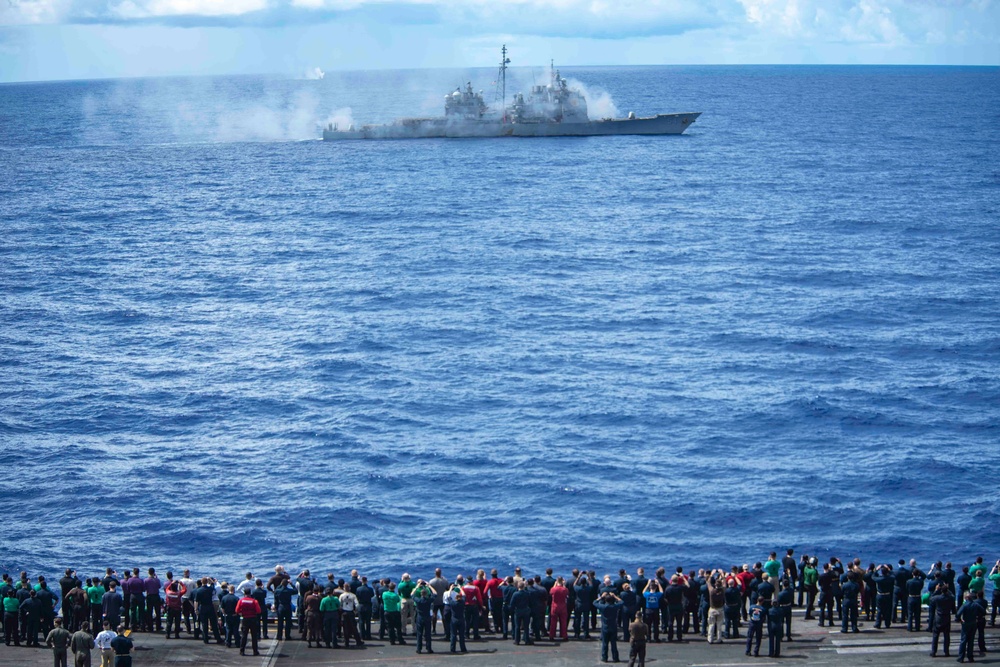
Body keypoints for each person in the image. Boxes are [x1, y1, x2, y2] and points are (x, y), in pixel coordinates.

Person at [594, 590, 623, 663]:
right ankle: (615, 658)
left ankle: (604, 657)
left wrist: (601, 597)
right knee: (614, 644)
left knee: (605, 644)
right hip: (613, 627)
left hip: (605, 627)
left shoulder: (603, 607)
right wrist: (615, 596)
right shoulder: (615, 607)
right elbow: (622, 602)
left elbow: (594, 602)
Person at [956, 592, 984, 663]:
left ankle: (961, 657)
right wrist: (978, 616)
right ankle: (970, 657)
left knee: (963, 641)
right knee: (971, 641)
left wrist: (960, 620)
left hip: (966, 624)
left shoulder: (965, 605)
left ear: (966, 598)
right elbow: (983, 611)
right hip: (973, 623)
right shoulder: (976, 604)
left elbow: (958, 614)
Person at [930, 583, 955, 657]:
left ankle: (934, 652)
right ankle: (946, 651)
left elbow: (931, 599)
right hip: (946, 618)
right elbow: (953, 596)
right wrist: (948, 589)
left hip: (938, 618)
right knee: (946, 636)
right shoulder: (950, 598)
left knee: (935, 636)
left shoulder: (937, 598)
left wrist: (936, 590)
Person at [235, 586, 262, 656]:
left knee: (244, 635)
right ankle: (255, 651)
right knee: (254, 636)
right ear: (250, 593)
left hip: (245, 619)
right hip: (253, 619)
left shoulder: (241, 601)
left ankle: (242, 651)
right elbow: (259, 611)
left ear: (244, 593)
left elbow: (237, 610)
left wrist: (242, 612)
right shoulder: (254, 601)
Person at [193, 579, 222, 644]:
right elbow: (213, 586)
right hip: (210, 606)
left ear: (201, 582)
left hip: (203, 607)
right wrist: (211, 580)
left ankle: (205, 639)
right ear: (206, 582)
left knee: (204, 624)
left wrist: (196, 609)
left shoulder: (199, 590)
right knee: (214, 623)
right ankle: (218, 638)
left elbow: (196, 601)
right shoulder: (210, 589)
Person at [339, 583, 362, 648]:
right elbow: (357, 604)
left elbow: (339, 604)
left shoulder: (341, 596)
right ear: (350, 588)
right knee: (354, 628)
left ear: (344, 588)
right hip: (351, 612)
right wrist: (355, 611)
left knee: (345, 628)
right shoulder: (353, 595)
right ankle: (358, 641)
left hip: (344, 613)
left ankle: (346, 642)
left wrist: (341, 610)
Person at [509, 581, 532, 645]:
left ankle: (517, 640)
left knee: (517, 626)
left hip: (518, 611)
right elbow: (530, 602)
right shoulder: (527, 593)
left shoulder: (515, 594)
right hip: (526, 610)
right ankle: (527, 640)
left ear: (517, 586)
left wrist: (512, 610)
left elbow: (512, 604)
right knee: (526, 626)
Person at [428, 569, 449, 636]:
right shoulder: (445, 581)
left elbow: (430, 591)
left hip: (435, 600)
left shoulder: (431, 581)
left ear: (435, 573)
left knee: (434, 614)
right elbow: (447, 589)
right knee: (443, 615)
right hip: (442, 600)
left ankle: (434, 629)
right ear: (440, 573)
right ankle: (446, 630)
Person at [705, 571, 724, 644]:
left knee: (711, 624)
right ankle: (719, 639)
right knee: (719, 625)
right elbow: (725, 583)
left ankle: (710, 639)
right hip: (720, 609)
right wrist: (722, 574)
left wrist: (711, 574)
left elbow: (708, 582)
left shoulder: (712, 591)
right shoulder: (722, 591)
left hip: (712, 609)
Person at [447, 585, 468, 653]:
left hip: (454, 619)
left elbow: (449, 597)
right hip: (461, 619)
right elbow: (464, 595)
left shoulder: (453, 603)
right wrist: (460, 588)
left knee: (453, 635)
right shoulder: (462, 602)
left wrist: (450, 589)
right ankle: (463, 648)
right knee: (461, 635)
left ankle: (452, 649)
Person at [413, 585, 433, 654]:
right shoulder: (428, 600)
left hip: (420, 617)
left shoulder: (418, 600)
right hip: (427, 617)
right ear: (426, 594)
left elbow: (412, 594)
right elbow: (435, 594)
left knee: (419, 634)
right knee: (428, 634)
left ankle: (419, 649)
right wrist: (429, 586)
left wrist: (416, 587)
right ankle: (429, 648)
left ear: (421, 594)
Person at [549, 576, 569, 641]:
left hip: (555, 606)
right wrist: (564, 585)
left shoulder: (554, 589)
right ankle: (564, 635)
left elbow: (550, 592)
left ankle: (551, 635)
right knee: (563, 622)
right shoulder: (564, 589)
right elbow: (567, 593)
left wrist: (555, 585)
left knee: (553, 622)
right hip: (563, 606)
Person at [143, 568, 162, 633]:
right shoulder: (157, 580)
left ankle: (150, 627)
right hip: (156, 596)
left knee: (149, 612)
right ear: (154, 573)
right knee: (158, 612)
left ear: (148, 573)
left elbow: (144, 589)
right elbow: (159, 586)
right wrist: (156, 578)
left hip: (149, 596)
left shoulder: (146, 580)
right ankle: (158, 627)